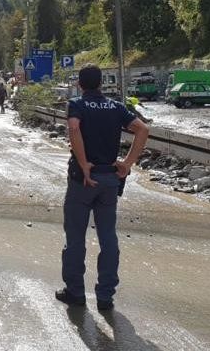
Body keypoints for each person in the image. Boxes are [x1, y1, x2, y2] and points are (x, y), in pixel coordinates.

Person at [56, 64, 149, 312]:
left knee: (76, 237)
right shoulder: (116, 107)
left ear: (80, 84)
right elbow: (142, 129)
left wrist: (85, 164)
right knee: (108, 236)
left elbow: (74, 128)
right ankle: (105, 297)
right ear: (100, 84)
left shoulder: (77, 104)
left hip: (83, 180)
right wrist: (127, 164)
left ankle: (75, 292)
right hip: (109, 179)